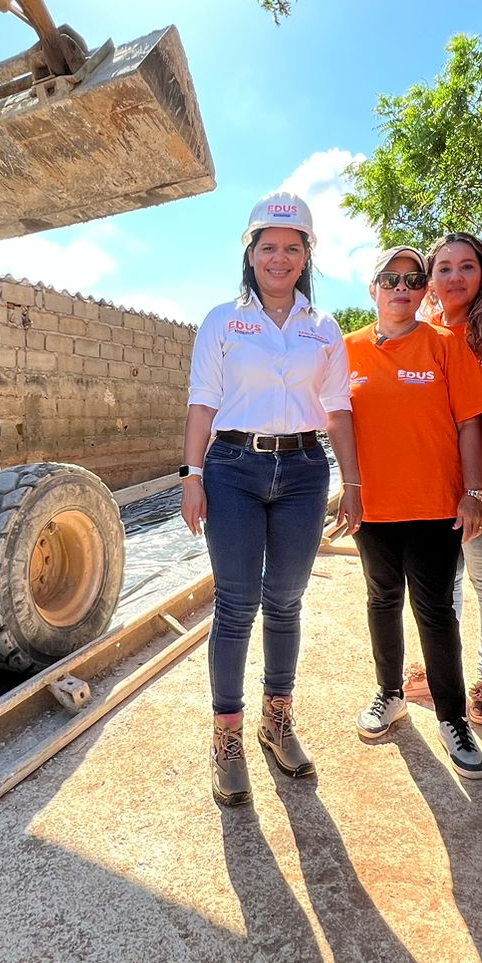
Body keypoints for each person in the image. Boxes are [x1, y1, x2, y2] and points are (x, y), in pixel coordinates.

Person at [182, 190, 363, 807]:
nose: (279, 258)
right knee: (236, 605)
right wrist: (192, 475)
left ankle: (276, 719)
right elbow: (203, 401)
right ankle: (226, 736)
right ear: (251, 253)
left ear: (307, 254)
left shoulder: (324, 327)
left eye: (292, 247)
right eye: (268, 247)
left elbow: (338, 410)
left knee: (285, 600)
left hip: (306, 471)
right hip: (232, 467)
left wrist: (354, 483)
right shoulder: (221, 321)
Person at [343, 245, 482, 778]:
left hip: (434, 505)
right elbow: (333, 424)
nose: (401, 289)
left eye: (412, 280)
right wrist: (347, 486)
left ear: (424, 290)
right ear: (373, 289)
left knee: (433, 610)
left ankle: (453, 719)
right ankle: (389, 694)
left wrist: (474, 492)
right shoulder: (347, 350)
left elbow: (471, 422)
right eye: (390, 279)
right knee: (382, 599)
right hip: (374, 506)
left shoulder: (446, 346)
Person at [423, 231, 482, 728]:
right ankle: (446, 670)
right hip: (437, 481)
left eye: (467, 266)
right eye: (444, 268)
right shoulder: (424, 332)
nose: (455, 277)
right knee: (444, 582)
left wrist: (476, 490)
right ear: (431, 280)